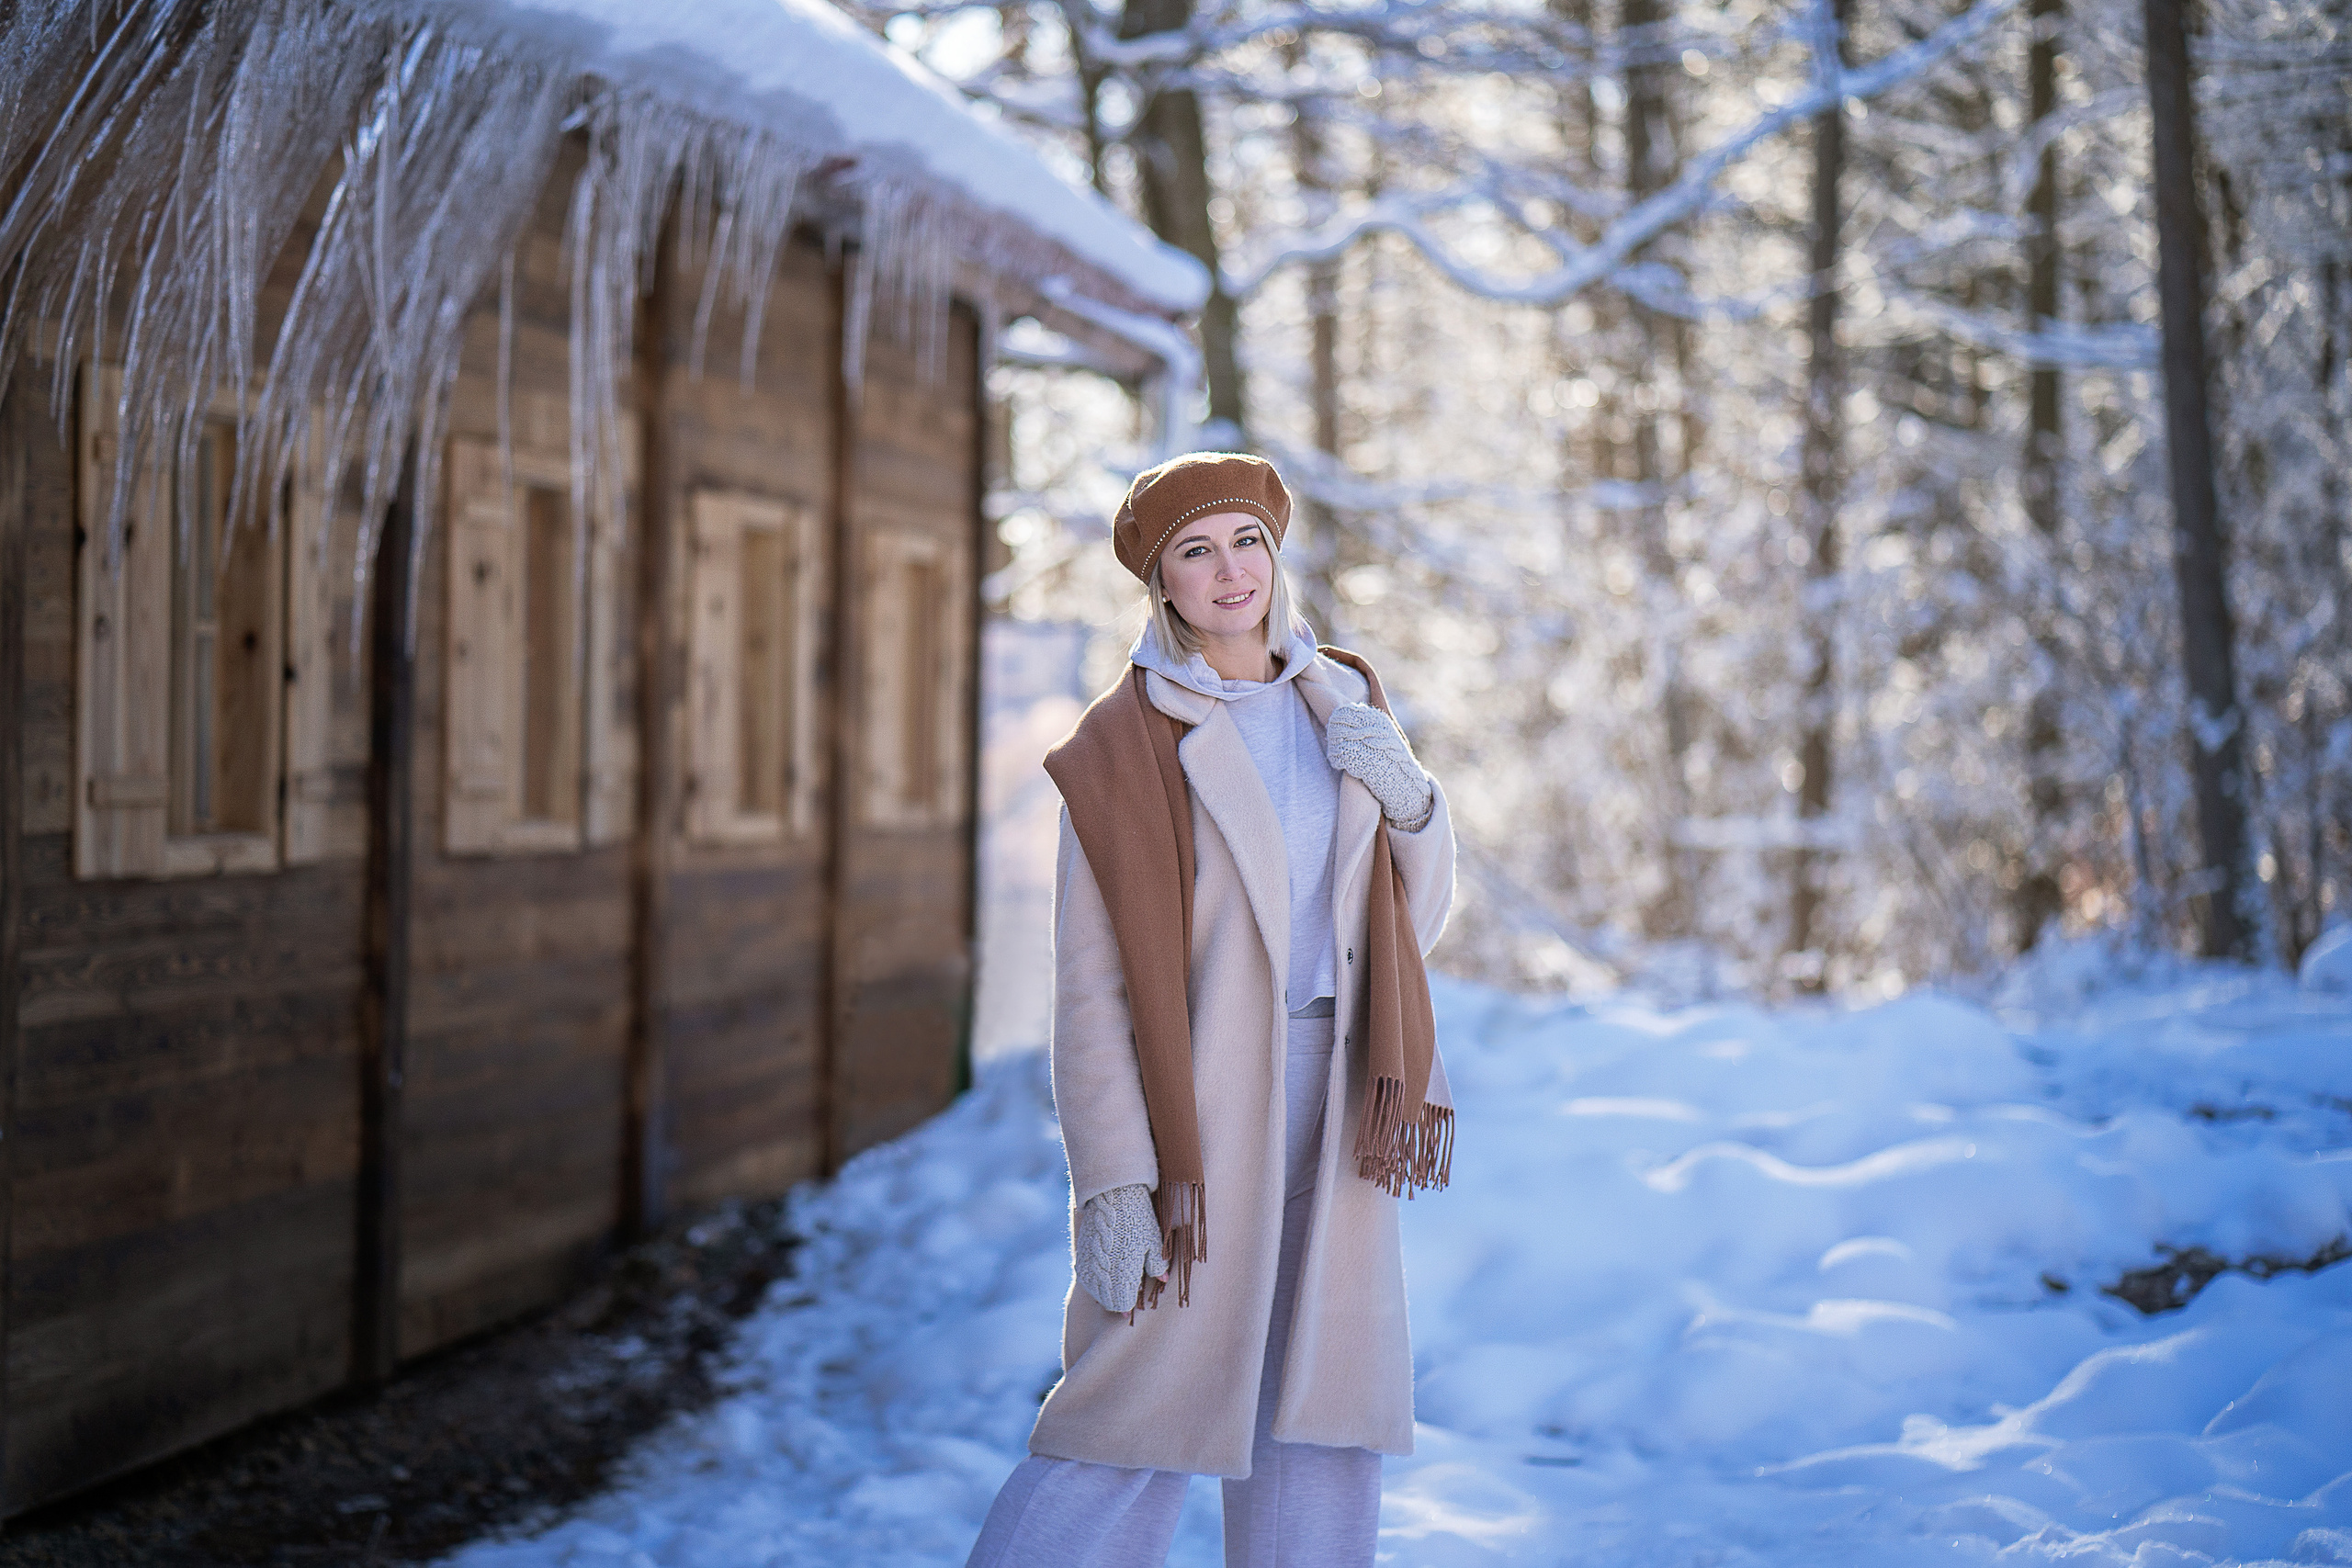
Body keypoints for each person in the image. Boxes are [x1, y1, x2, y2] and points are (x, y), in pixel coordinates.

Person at [966, 452, 1456, 1568]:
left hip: (1339, 1096)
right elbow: (1089, 989)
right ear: (1163, 586)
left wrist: (1414, 806)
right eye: (1196, 551)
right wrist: (1112, 1181)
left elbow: (1402, 931)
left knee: (1320, 1412)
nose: (1230, 570)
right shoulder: (1122, 746)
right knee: (1134, 1407)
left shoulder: (1346, 697)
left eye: (1247, 542)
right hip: (1200, 1111)